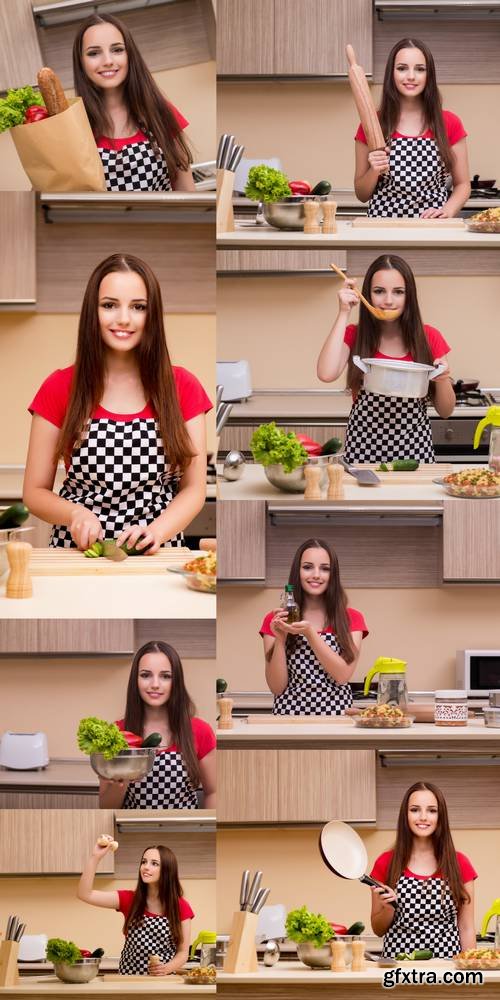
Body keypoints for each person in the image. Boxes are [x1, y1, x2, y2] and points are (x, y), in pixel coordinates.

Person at [24, 253, 211, 550]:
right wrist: (75, 513)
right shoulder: (59, 387)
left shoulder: (182, 387)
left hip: (157, 553)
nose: (123, 318)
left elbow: (194, 489)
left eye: (138, 307)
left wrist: (157, 532)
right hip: (77, 553)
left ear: (152, 315)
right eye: (109, 305)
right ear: (92, 312)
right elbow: (34, 492)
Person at [317, 254, 455, 463]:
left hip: (415, 449)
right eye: (379, 291)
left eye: (398, 292)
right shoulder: (355, 335)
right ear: (367, 295)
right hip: (362, 447)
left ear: (409, 297)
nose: (388, 300)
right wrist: (344, 312)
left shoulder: (429, 337)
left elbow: (446, 411)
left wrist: (443, 378)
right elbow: (326, 374)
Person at [73, 13, 195, 192]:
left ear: (130, 55)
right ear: (81, 62)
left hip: (162, 220)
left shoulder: (160, 112)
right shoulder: (72, 125)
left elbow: (187, 194)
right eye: (94, 53)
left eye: (117, 50)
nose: (108, 61)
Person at [354, 38, 470, 218]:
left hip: (432, 228)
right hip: (382, 228)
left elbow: (463, 184)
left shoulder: (449, 122)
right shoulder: (372, 124)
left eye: (420, 69)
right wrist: (374, 169)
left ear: (429, 75)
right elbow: (362, 194)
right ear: (391, 73)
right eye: (402, 68)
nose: (411, 76)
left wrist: (446, 212)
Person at [99, 641, 216, 809]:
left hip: (185, 832)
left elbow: (213, 792)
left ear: (176, 682)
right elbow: (106, 808)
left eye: (165, 676)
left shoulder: (200, 731)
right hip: (132, 831)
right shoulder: (115, 734)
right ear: (135, 680)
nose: (155, 684)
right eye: (146, 675)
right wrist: (120, 780)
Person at [260, 538, 367, 715]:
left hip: (338, 718)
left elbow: (342, 676)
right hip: (288, 719)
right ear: (297, 572)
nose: (316, 575)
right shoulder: (275, 619)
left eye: (325, 569)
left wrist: (310, 633)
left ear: (333, 575)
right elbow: (276, 687)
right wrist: (280, 639)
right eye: (308, 567)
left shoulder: (352, 618)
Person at [370, 782, 477, 958]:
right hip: (399, 969)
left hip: (447, 968)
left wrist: (470, 971)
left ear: (440, 816)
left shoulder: (459, 863)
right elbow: (378, 929)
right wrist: (389, 908)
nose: (423, 817)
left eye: (432, 810)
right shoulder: (385, 863)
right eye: (415, 810)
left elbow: (466, 928)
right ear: (405, 815)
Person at [78, 841, 192, 975]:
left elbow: (183, 952)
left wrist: (166, 969)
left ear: (167, 870)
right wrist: (95, 857)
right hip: (129, 980)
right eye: (144, 862)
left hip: (163, 981)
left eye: (154, 863)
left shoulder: (181, 906)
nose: (146, 867)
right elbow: (84, 894)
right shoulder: (129, 899)